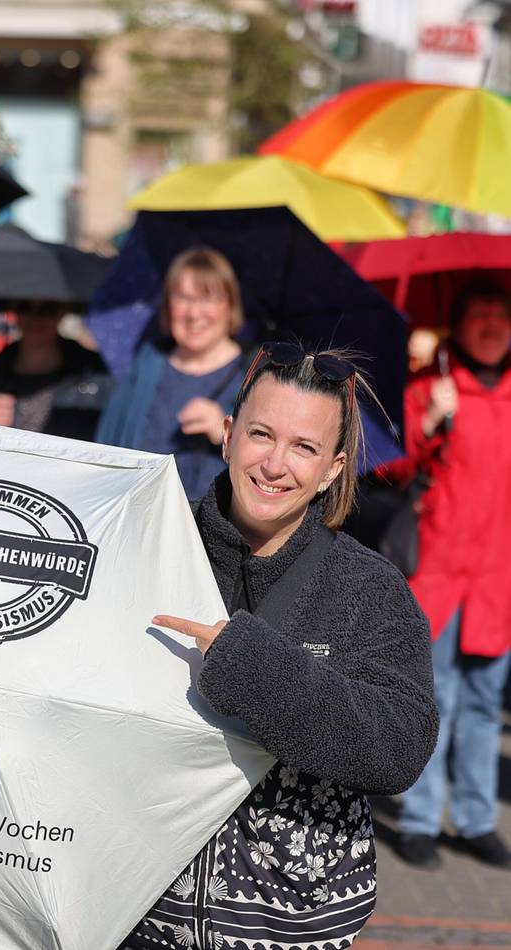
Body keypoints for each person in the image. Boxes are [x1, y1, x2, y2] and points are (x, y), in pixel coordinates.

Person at [120, 343, 438, 950]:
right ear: (229, 434)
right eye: (262, 435)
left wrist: (250, 667)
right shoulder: (154, 543)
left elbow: (398, 748)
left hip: (296, 926)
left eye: (304, 448)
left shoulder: (368, 589)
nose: (275, 464)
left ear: (334, 468)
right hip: (138, 914)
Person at [395, 279, 511, 869]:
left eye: (501, 315)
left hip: (500, 580)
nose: (491, 325)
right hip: (437, 573)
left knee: (485, 704)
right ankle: (419, 817)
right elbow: (390, 468)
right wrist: (431, 420)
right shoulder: (429, 388)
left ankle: (475, 819)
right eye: (479, 314)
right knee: (431, 699)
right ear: (457, 324)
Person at [96, 247, 247, 500]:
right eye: (183, 298)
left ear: (230, 306)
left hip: (209, 530)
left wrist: (228, 435)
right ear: (167, 306)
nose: (194, 313)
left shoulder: (253, 376)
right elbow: (104, 448)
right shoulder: (146, 366)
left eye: (208, 299)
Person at [0, 301, 109, 440]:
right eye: (25, 308)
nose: (35, 318)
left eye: (48, 309)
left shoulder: (96, 373)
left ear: (63, 311)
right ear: (14, 310)